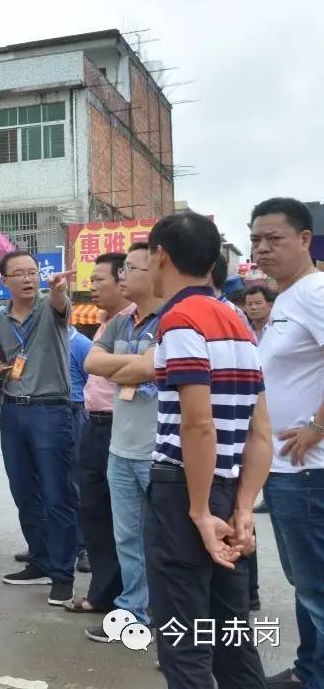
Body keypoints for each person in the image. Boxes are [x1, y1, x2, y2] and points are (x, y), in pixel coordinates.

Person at [146, 211, 272, 688]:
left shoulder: (179, 319)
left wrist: (199, 512)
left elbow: (197, 425)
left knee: (184, 638)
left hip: (184, 489)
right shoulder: (238, 320)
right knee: (230, 629)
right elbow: (260, 429)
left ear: (162, 256)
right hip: (229, 487)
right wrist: (242, 507)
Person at [249, 197, 324, 689]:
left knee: (317, 588)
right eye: (256, 239)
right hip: (284, 468)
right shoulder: (288, 299)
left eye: (274, 239)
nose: (262, 249)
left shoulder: (315, 292)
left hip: (309, 470)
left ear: (304, 239)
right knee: (306, 586)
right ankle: (311, 670)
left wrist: (318, 423)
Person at [82, 242, 162, 641]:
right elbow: (91, 363)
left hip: (159, 451)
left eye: (131, 268)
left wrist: (132, 368)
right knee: (126, 536)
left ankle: (167, 616)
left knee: (163, 539)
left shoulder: (171, 319)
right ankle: (133, 610)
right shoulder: (121, 321)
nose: (123, 275)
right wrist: (136, 368)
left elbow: (154, 367)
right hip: (120, 448)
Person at [0, 250, 78, 607]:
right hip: (13, 412)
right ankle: (40, 560)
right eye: (20, 273)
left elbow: (61, 303)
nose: (28, 279)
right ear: (5, 281)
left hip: (50, 409)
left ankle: (63, 574)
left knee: (58, 493)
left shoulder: (51, 307)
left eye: (33, 272)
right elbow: (3, 360)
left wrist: (59, 289)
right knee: (24, 491)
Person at [62, 251, 128, 615]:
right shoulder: (105, 323)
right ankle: (104, 593)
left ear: (124, 280)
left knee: (125, 520)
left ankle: (130, 600)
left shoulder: (136, 324)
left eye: (98, 280)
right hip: (95, 424)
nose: (92, 287)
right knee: (95, 512)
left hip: (122, 426)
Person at [68, 324, 93, 575]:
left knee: (77, 485)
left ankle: (84, 547)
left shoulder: (81, 344)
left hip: (75, 412)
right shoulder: (39, 340)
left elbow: (93, 382)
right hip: (48, 412)